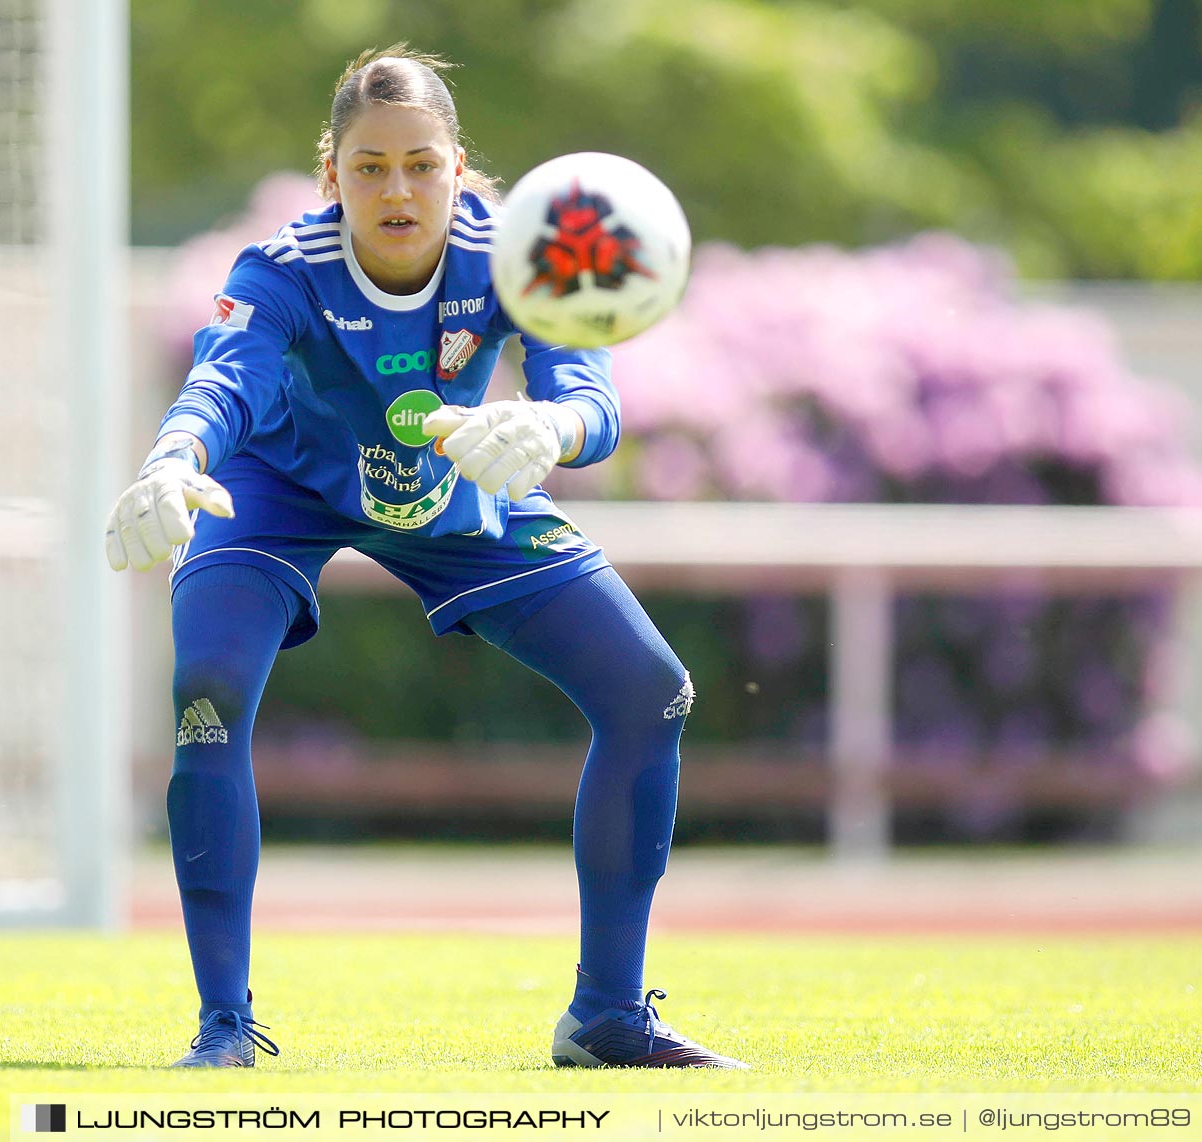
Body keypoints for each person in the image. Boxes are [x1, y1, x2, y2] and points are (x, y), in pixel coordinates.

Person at [105, 44, 745, 1071]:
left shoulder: (516, 257)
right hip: (277, 498)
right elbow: (219, 386)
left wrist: (548, 428)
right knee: (209, 688)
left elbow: (592, 397)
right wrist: (173, 460)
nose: (396, 188)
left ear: (458, 168)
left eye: (420, 164)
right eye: (369, 166)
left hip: (452, 495)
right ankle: (224, 1024)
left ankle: (606, 1016)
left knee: (652, 690)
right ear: (332, 176)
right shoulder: (278, 273)